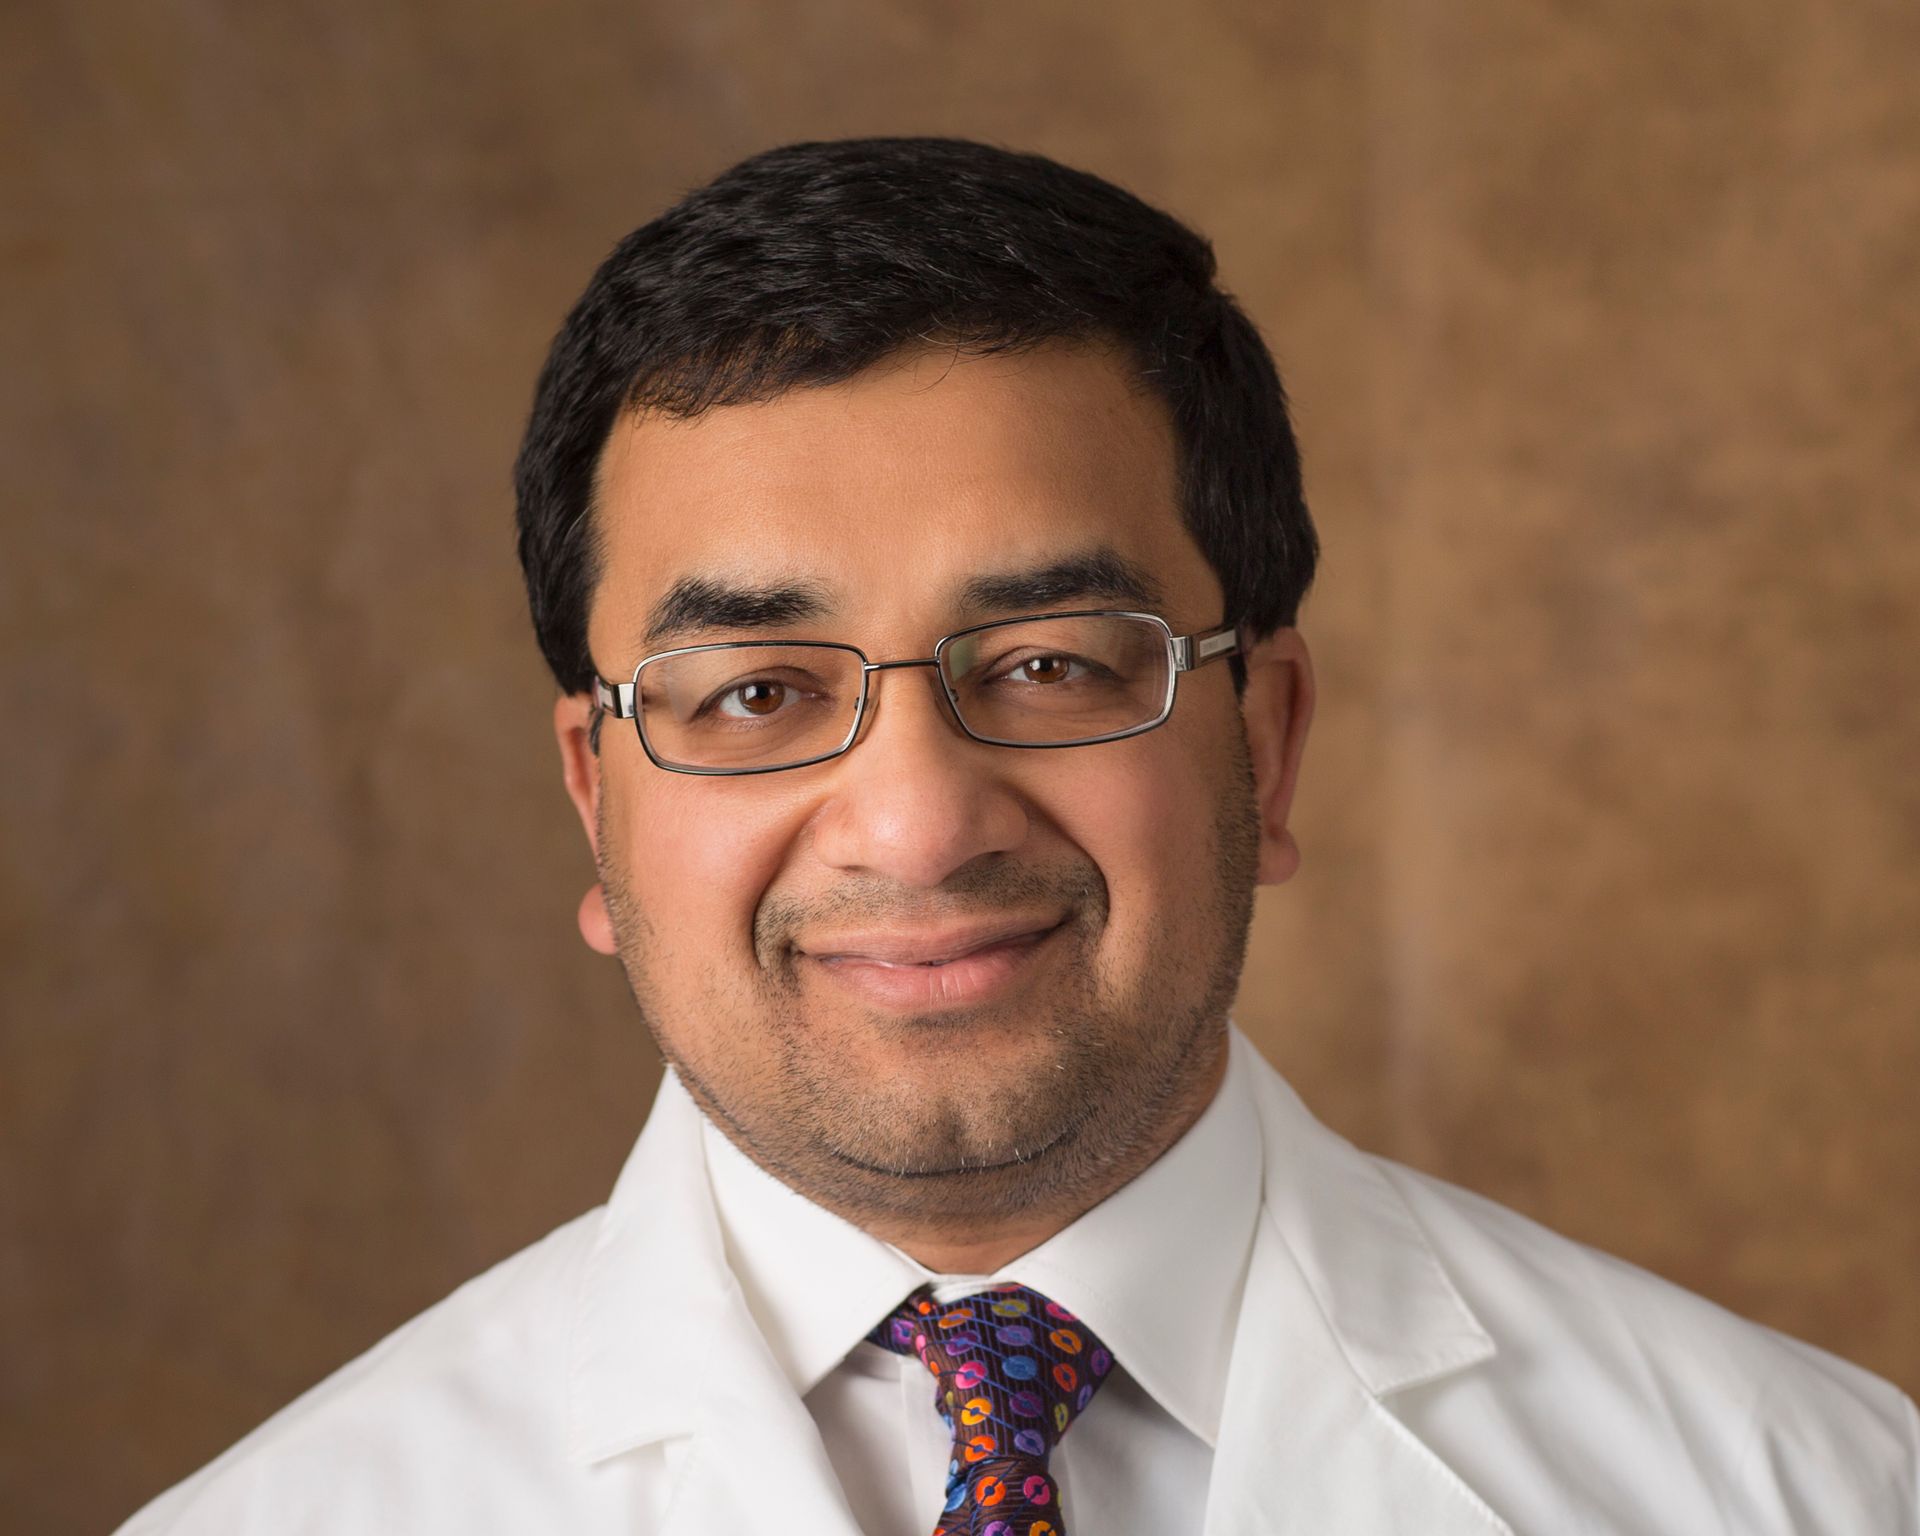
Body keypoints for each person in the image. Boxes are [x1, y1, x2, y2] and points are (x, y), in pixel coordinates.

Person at [117, 136, 1916, 1536]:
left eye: (1054, 665)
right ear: (598, 804)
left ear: (1266, 747)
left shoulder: (1812, 1490)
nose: (916, 817)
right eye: (753, 692)